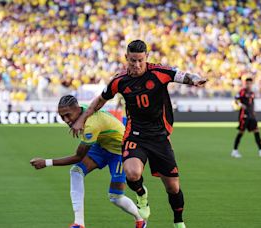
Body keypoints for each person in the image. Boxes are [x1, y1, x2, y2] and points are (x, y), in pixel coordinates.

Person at [71, 40, 207, 228]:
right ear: (126, 58)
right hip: (135, 135)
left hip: (160, 137)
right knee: (133, 173)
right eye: (132, 60)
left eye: (140, 61)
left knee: (173, 187)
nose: (136, 65)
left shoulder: (159, 72)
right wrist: (81, 119)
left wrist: (195, 78)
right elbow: (99, 100)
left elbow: (182, 75)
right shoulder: (120, 81)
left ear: (146, 58)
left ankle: (178, 221)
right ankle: (141, 195)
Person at [30, 95, 146, 228]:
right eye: (62, 117)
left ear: (78, 109)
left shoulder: (91, 124)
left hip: (120, 151)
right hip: (102, 145)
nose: (66, 120)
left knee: (115, 197)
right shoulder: (84, 110)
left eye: (68, 115)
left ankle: (140, 220)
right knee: (76, 171)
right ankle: (79, 223)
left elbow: (78, 156)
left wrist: (46, 162)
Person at [231, 78, 261, 158]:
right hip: (244, 115)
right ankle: (234, 151)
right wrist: (241, 105)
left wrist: (253, 112)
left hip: (251, 115)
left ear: (252, 84)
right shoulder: (242, 91)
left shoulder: (252, 93)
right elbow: (236, 99)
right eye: (247, 83)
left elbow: (252, 103)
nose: (249, 85)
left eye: (250, 83)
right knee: (241, 132)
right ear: (245, 84)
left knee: (256, 131)